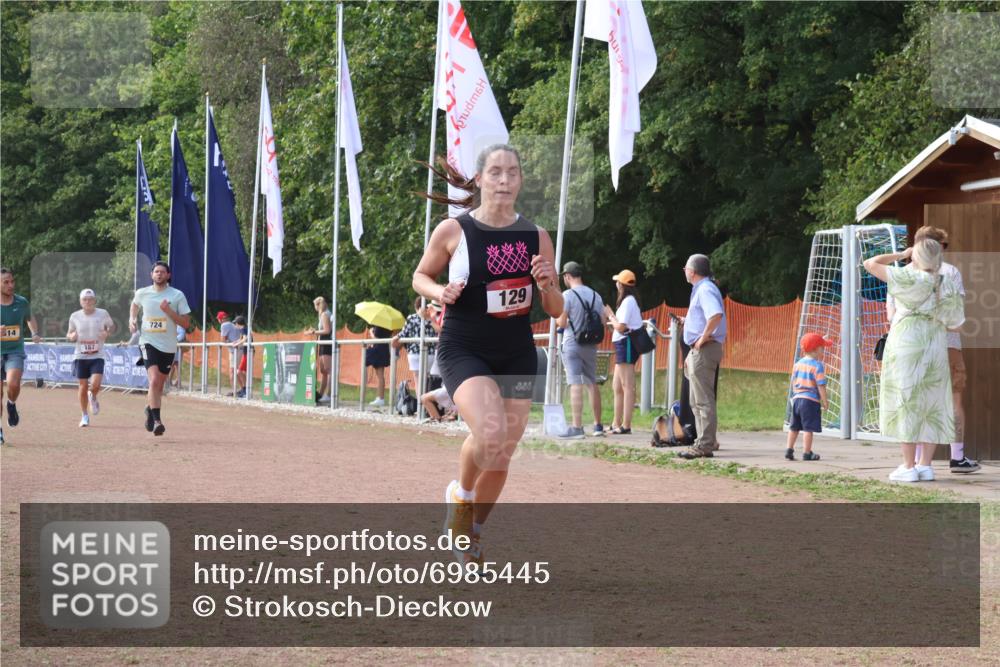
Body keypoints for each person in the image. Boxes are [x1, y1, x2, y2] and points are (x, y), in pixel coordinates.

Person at [413, 144, 562, 565]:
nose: (504, 180)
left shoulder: (536, 236)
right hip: (465, 347)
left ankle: (472, 533)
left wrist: (549, 284)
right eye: (495, 172)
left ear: (520, 180)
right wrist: (440, 291)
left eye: (512, 172)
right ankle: (459, 496)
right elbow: (420, 275)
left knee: (502, 452)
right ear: (479, 179)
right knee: (491, 434)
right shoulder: (454, 231)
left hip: (516, 351)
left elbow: (555, 310)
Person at [863, 240, 965, 482]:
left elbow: (870, 263)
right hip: (935, 347)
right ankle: (925, 466)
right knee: (931, 401)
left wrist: (901, 254)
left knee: (906, 401)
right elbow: (958, 325)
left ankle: (908, 466)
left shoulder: (906, 278)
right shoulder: (946, 283)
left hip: (906, 345)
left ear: (916, 257)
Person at [886, 227, 977, 473]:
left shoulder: (900, 273)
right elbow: (956, 318)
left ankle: (912, 462)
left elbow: (891, 314)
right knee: (948, 401)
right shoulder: (949, 273)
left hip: (907, 346)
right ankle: (956, 456)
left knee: (910, 401)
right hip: (945, 345)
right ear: (936, 248)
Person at [129, 261, 191, 436]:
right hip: (148, 341)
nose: (159, 274)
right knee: (154, 380)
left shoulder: (177, 295)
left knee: (159, 385)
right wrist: (131, 319)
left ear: (168, 275)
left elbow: (186, 323)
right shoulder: (142, 293)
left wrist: (169, 311)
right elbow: (134, 305)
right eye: (156, 271)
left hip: (168, 346)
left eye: (162, 272)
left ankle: (150, 409)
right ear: (151, 275)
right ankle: (157, 421)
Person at [677, 254, 727, 460]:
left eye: (686, 267)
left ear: (693, 271)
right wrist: (688, 322)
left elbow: (715, 315)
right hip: (700, 349)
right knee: (695, 399)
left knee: (703, 399)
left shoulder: (705, 289)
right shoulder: (702, 289)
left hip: (704, 349)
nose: (684, 271)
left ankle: (705, 444)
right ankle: (706, 441)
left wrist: (701, 339)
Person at [556, 261, 607, 438]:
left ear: (567, 276)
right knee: (592, 383)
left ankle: (577, 427)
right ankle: (598, 426)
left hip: (572, 343)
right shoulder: (596, 295)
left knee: (575, 383)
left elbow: (561, 322)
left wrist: (562, 321)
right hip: (591, 345)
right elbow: (602, 323)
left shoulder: (567, 295)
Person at [1, 267, 42, 444]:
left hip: (15, 351)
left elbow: (29, 318)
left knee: (13, 383)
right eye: (6, 282)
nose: (11, 285)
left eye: (12, 281)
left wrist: (34, 333)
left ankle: (12, 404)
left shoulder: (21, 302)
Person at [66, 289, 115, 427]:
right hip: (80, 356)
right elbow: (68, 333)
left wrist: (107, 332)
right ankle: (84, 415)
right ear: (80, 301)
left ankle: (93, 395)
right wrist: (72, 337)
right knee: (82, 386)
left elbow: (112, 327)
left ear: (94, 300)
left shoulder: (103, 313)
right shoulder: (74, 316)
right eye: (84, 299)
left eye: (90, 299)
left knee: (96, 384)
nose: (87, 302)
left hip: (97, 355)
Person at [603, 269, 643, 435]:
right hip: (622, 343)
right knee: (617, 385)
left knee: (627, 385)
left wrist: (611, 316)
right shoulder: (628, 301)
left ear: (622, 285)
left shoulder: (628, 301)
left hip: (626, 342)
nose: (616, 284)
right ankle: (616, 422)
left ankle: (625, 425)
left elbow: (621, 326)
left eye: (618, 282)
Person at [785, 332, 831, 461]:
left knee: (794, 427)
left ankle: (789, 449)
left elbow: (794, 381)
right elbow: (821, 385)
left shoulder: (798, 364)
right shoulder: (817, 366)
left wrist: (795, 394)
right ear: (816, 349)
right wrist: (824, 401)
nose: (823, 351)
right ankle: (807, 452)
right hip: (810, 401)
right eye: (822, 348)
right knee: (808, 428)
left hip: (797, 399)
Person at [393, 296, 438, 393]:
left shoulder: (411, 318)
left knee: (417, 379)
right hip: (430, 353)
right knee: (427, 379)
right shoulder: (432, 318)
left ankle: (419, 403)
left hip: (414, 353)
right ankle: (426, 404)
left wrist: (396, 337)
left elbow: (404, 333)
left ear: (415, 307)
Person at [304, 297, 333, 404]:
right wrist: (315, 331)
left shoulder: (325, 314)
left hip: (326, 343)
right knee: (323, 370)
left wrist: (314, 332)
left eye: (315, 306)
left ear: (318, 305)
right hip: (322, 343)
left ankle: (329, 394)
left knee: (328, 370)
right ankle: (321, 394)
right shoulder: (323, 314)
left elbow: (327, 330)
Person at [364, 325, 392, 407]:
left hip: (379, 350)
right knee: (380, 376)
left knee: (380, 376)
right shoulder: (388, 326)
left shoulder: (380, 326)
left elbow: (377, 339)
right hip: (383, 349)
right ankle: (379, 397)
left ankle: (381, 398)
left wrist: (371, 332)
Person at [218, 311, 241, 395]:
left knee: (232, 371)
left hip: (234, 350)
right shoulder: (231, 324)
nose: (218, 321)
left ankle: (235, 391)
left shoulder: (224, 325)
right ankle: (240, 389)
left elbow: (223, 340)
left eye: (219, 319)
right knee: (236, 370)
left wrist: (226, 340)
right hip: (237, 349)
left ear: (221, 319)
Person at [231, 315, 249, 398]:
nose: (235, 325)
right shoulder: (243, 330)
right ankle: (245, 389)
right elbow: (241, 338)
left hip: (248, 352)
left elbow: (245, 339)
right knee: (240, 372)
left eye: (235, 323)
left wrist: (237, 344)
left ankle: (246, 390)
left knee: (239, 371)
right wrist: (236, 342)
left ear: (238, 323)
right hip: (246, 352)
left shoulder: (244, 329)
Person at [168, 323, 186, 391]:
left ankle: (177, 382)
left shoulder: (179, 325)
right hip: (174, 346)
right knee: (174, 364)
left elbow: (182, 335)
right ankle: (173, 382)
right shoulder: (174, 324)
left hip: (177, 346)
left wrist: (173, 339)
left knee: (175, 364)